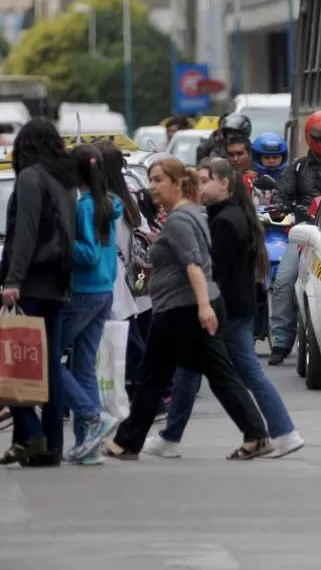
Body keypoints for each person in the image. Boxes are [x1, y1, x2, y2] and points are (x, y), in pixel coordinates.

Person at [104, 158, 273, 461]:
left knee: (158, 376)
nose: (152, 187)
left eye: (158, 180)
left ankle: (128, 441)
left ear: (177, 183)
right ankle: (130, 441)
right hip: (188, 306)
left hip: (184, 309)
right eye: (151, 180)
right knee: (169, 376)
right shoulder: (192, 212)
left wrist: (204, 307)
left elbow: (193, 263)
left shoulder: (181, 219)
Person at [143, 158, 304, 459]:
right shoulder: (224, 215)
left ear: (224, 183)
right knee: (188, 371)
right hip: (228, 309)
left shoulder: (226, 221)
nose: (200, 186)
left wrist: (203, 304)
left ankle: (283, 432)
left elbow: (211, 270)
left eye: (205, 180)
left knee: (244, 371)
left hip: (226, 311)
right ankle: (170, 437)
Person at [0, 118, 77, 467]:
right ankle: (48, 446)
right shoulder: (65, 181)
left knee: (11, 363)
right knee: (46, 367)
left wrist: (12, 280)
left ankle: (30, 433)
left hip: (31, 283)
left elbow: (26, 233)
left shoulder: (31, 177)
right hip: (58, 286)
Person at [267, 110, 321, 366]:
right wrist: (279, 205)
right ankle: (281, 341)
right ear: (313, 138)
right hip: (306, 234)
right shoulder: (298, 167)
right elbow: (280, 194)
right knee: (283, 282)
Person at [60, 145, 123, 465]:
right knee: (83, 365)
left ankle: (91, 415)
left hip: (84, 293)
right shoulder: (108, 203)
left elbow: (87, 254)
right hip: (103, 292)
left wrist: (61, 240)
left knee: (46, 359)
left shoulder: (85, 207)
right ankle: (90, 448)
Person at [94, 140, 156, 413]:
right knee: (138, 332)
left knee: (129, 341)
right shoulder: (128, 198)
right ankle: (150, 392)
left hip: (117, 279)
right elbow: (145, 235)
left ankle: (152, 394)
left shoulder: (104, 203)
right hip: (139, 274)